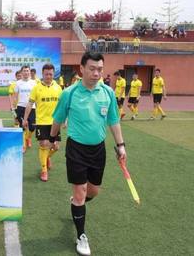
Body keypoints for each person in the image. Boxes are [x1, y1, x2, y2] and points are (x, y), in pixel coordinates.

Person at [50, 52, 126, 256]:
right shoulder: (70, 93)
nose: (96, 73)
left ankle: (76, 205)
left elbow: (113, 121)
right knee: (80, 191)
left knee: (93, 192)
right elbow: (58, 118)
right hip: (76, 148)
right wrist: (53, 138)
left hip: (98, 149)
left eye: (100, 69)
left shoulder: (108, 92)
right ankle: (81, 236)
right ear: (81, 68)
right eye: (92, 68)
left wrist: (121, 145)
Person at [22, 64, 62, 182]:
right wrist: (25, 119)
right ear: (42, 74)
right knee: (44, 144)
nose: (49, 76)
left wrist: (65, 119)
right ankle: (44, 170)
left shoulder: (58, 88)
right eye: (46, 74)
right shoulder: (36, 88)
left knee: (55, 147)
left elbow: (62, 105)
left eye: (51, 74)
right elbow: (30, 104)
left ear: (53, 74)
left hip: (55, 122)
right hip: (42, 122)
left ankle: (46, 158)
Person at [13, 65, 37, 152]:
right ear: (21, 72)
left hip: (32, 107)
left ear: (30, 72)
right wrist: (14, 108)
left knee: (32, 128)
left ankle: (28, 138)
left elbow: (37, 96)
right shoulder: (18, 83)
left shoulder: (34, 83)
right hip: (21, 107)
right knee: (22, 127)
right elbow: (15, 96)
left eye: (27, 71)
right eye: (24, 71)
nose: (26, 72)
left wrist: (38, 106)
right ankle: (23, 146)